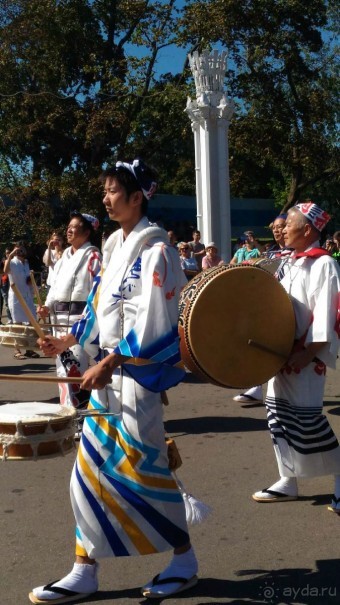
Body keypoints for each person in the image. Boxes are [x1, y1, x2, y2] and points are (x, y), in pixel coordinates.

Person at [29, 159, 198, 604]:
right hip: (108, 381)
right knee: (85, 475)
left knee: (145, 474)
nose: (105, 198)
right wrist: (69, 341)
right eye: (104, 191)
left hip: (135, 384)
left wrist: (114, 360)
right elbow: (99, 310)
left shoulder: (156, 249)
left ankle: (183, 558)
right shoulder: (115, 246)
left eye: (112, 191)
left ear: (137, 196)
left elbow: (161, 322)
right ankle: (84, 568)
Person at [251, 202, 340, 508]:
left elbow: (326, 314)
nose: (282, 229)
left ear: (306, 229)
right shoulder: (288, 262)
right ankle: (287, 480)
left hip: (304, 357)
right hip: (280, 354)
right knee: (277, 416)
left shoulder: (324, 264)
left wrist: (308, 353)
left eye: (288, 224)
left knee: (308, 421)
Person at [37, 213, 102, 411]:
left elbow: (97, 291)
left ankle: (78, 415)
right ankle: (67, 412)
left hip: (79, 319)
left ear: (87, 231)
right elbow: (55, 285)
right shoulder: (64, 256)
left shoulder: (93, 256)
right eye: (68, 226)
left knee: (76, 367)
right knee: (62, 368)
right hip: (59, 318)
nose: (69, 230)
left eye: (74, 226)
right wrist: (47, 305)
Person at [233, 215, 289, 405]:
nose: (277, 230)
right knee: (262, 347)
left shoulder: (298, 255)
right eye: (274, 227)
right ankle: (257, 388)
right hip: (270, 307)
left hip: (289, 308)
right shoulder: (271, 252)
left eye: (281, 226)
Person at [3, 243, 39, 359]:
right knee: (17, 324)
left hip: (27, 296)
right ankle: (16, 350)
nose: (20, 251)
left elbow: (27, 279)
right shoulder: (12, 262)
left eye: (22, 249)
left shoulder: (27, 263)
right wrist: (10, 256)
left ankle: (29, 349)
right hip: (16, 297)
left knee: (30, 323)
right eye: (18, 249)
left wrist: (30, 280)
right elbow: (5, 270)